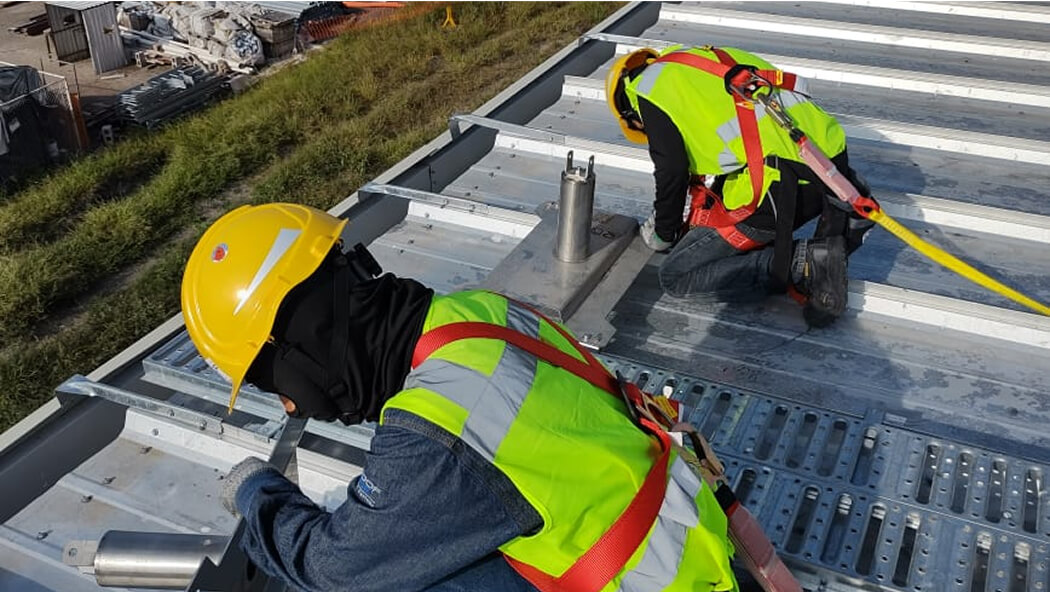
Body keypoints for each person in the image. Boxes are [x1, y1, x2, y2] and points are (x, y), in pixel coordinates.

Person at [181, 203, 743, 592]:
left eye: (271, 383)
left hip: (652, 581)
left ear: (300, 344)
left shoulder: (435, 430)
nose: (289, 406)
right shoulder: (475, 311)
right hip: (686, 542)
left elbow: (332, 568)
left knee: (385, 578)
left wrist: (255, 493)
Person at [605, 45, 875, 327]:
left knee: (676, 276)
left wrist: (663, 233)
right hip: (831, 162)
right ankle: (845, 208)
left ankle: (806, 262)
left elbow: (671, 171)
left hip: (785, 184)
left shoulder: (646, 93)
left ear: (629, 114)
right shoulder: (699, 61)